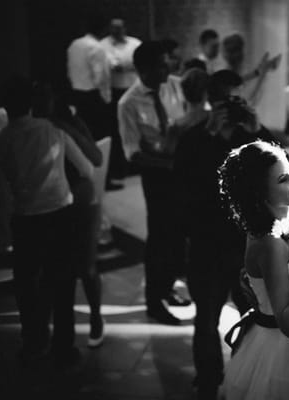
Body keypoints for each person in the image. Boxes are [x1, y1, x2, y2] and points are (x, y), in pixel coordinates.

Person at [173, 69, 274, 399]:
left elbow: (281, 172)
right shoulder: (194, 139)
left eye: (237, 100)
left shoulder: (253, 140)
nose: (231, 108)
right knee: (206, 318)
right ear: (210, 102)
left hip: (248, 246)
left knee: (252, 317)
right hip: (207, 244)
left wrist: (258, 128)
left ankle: (244, 375)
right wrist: (211, 135)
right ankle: (207, 380)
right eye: (225, 101)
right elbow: (186, 190)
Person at [0, 76, 94, 367]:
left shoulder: (3, 139)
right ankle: (63, 347)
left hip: (25, 218)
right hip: (59, 216)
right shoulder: (53, 131)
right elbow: (88, 168)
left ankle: (33, 342)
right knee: (62, 282)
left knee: (27, 284)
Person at [219, 141, 289, 400]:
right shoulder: (271, 242)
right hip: (280, 348)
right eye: (281, 179)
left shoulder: (281, 221)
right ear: (261, 193)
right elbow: (288, 323)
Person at [118, 41, 189, 326]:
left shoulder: (175, 85)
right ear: (142, 69)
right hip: (157, 176)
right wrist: (168, 164)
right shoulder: (129, 103)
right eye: (160, 64)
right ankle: (153, 302)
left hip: (182, 171)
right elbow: (132, 154)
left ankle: (168, 286)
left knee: (179, 234)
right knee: (159, 237)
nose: (167, 68)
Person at [32, 80, 106, 348]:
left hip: (80, 200)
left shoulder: (67, 123)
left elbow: (95, 159)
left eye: (46, 97)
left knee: (86, 266)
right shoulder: (28, 130)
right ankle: (53, 331)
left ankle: (96, 318)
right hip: (50, 205)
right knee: (53, 270)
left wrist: (64, 128)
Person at [100, 18, 142, 188]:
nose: (116, 31)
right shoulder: (103, 45)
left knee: (136, 128)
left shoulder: (135, 44)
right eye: (113, 28)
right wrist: (126, 65)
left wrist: (128, 66)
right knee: (118, 132)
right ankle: (120, 169)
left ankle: (136, 166)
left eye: (119, 28)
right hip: (114, 92)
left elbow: (140, 63)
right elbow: (110, 66)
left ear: (125, 28)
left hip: (134, 91)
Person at [67, 15, 111, 140]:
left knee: (82, 132)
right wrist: (106, 99)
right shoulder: (97, 47)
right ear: (103, 29)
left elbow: (70, 69)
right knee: (97, 133)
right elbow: (100, 77)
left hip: (75, 93)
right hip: (92, 97)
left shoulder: (74, 44)